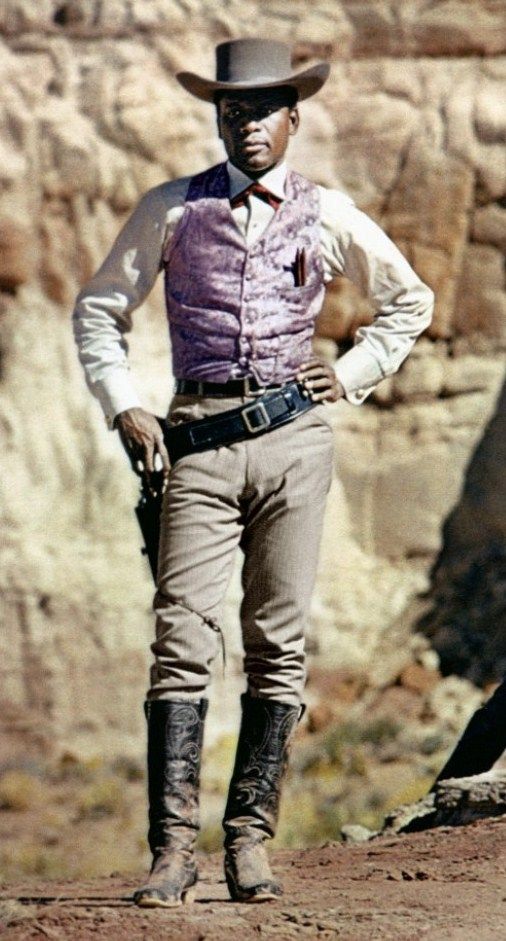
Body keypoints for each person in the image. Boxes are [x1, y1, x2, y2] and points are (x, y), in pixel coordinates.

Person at [72, 38, 434, 907]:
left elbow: (409, 299)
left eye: (264, 110)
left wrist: (347, 373)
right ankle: (170, 850)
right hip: (194, 438)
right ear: (218, 117)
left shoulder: (327, 210)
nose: (249, 125)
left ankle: (249, 843)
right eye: (234, 110)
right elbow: (99, 308)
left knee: (279, 643)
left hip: (295, 442)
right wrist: (124, 402)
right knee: (181, 641)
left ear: (294, 118)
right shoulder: (172, 209)